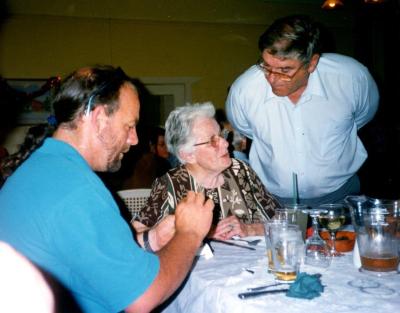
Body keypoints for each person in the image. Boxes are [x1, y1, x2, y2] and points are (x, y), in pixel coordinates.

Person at [0, 65, 214, 313]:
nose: (134, 139)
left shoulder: (45, 167)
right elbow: (143, 297)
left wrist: (152, 239)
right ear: (100, 119)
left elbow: (80, 257)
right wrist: (189, 233)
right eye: (129, 126)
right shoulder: (74, 188)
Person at [226, 14, 379, 208]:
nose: (272, 78)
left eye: (285, 70)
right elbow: (245, 129)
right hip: (273, 201)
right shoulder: (244, 90)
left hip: (341, 196)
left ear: (312, 63)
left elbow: (363, 116)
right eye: (266, 65)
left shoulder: (351, 79)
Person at [133, 102, 280, 252]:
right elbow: (134, 236)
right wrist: (202, 233)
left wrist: (249, 229)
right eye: (213, 141)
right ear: (188, 155)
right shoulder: (171, 184)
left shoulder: (241, 171)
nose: (225, 143)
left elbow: (283, 221)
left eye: (222, 135)